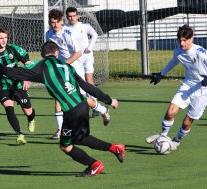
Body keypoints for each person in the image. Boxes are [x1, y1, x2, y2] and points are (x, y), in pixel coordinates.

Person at [0, 41, 125, 177]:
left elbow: (10, 72)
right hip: (81, 106)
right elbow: (86, 86)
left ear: (42, 55)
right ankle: (113, 150)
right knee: (73, 141)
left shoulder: (41, 66)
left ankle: (96, 163)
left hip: (72, 110)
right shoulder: (67, 66)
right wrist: (108, 100)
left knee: (71, 142)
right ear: (57, 53)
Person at [145, 25, 207, 150]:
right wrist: (162, 73)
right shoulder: (178, 51)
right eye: (180, 40)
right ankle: (163, 137)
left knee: (187, 122)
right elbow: (174, 61)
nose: (182, 43)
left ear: (192, 39)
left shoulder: (200, 53)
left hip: (202, 90)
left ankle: (176, 141)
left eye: (185, 40)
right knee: (170, 112)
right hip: (187, 85)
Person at [46, 9, 109, 139]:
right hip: (61, 69)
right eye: (53, 23)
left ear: (61, 21)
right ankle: (60, 129)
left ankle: (103, 110)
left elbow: (78, 53)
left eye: (58, 22)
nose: (55, 25)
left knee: (81, 97)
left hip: (75, 67)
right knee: (58, 97)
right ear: (50, 22)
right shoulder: (48, 35)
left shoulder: (67, 34)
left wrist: (65, 64)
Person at [0, 27, 36, 145]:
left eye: (5, 38)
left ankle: (31, 120)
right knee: (9, 109)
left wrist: (27, 78)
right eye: (0, 38)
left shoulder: (13, 49)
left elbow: (28, 63)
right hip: (3, 87)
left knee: (28, 112)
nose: (3, 41)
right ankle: (19, 134)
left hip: (18, 84)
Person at [65, 7, 101, 118]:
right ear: (67, 17)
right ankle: (86, 104)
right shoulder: (65, 28)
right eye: (69, 16)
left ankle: (96, 106)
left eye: (74, 15)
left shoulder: (84, 26)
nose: (72, 18)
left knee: (89, 80)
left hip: (87, 56)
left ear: (77, 16)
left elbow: (95, 34)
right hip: (76, 58)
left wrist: (90, 47)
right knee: (81, 82)